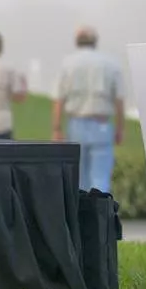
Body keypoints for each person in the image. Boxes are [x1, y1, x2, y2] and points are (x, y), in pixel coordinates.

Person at [51, 25, 126, 193]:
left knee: (78, 177)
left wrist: (56, 127)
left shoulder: (67, 64)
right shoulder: (110, 64)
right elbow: (119, 99)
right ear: (95, 41)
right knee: (101, 177)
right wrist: (121, 127)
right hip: (102, 123)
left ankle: (80, 217)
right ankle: (100, 216)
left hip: (76, 123)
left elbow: (59, 98)